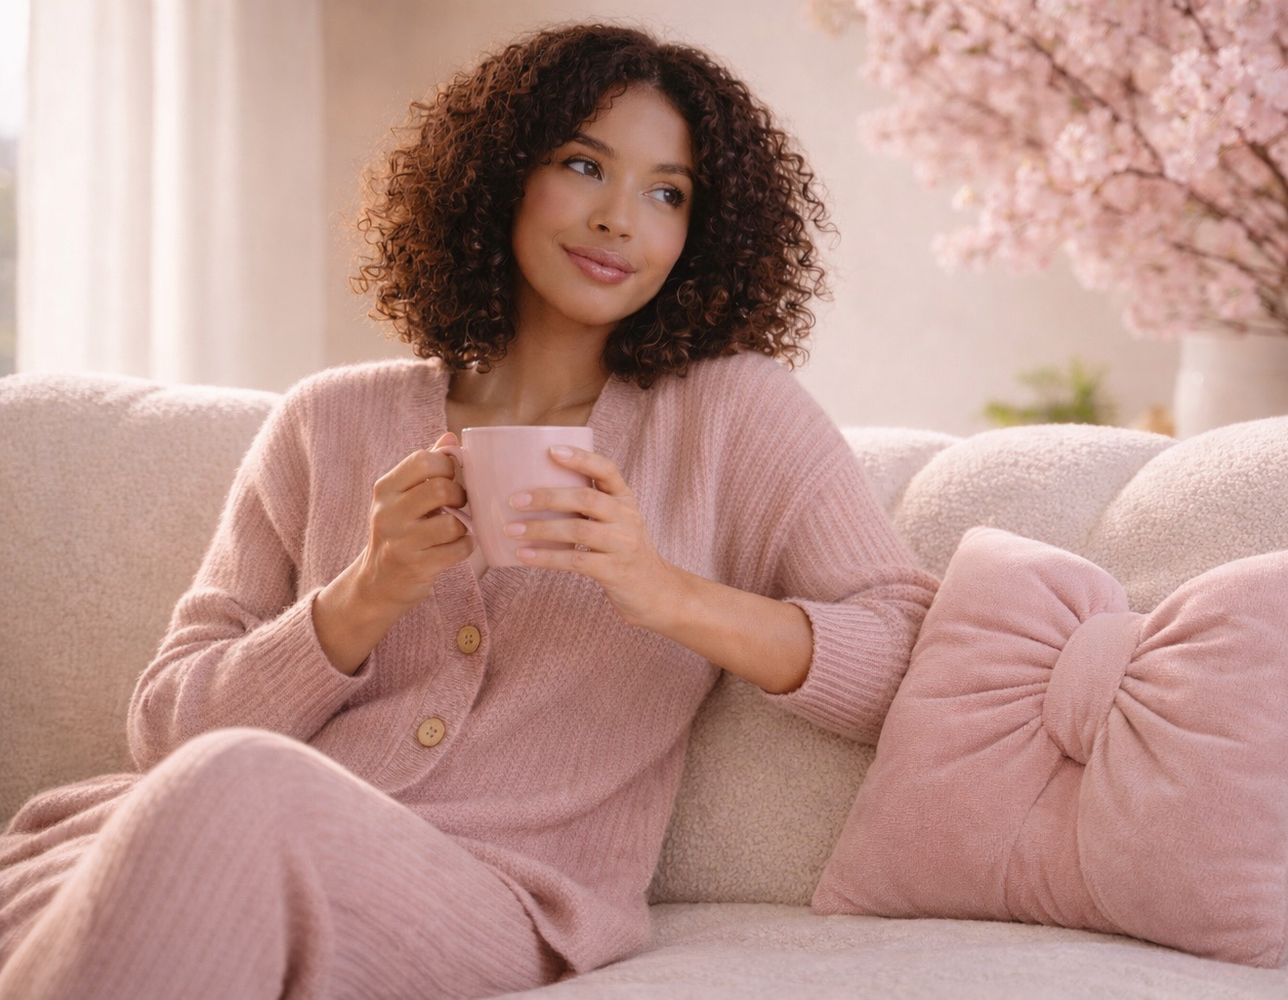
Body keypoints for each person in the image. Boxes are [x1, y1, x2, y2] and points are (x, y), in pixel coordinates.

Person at [0, 23, 939, 1000]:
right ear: (500, 175)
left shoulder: (731, 415)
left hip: (498, 895)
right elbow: (166, 730)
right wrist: (363, 594)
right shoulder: (330, 419)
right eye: (585, 165)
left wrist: (660, 589)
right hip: (186, 837)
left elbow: (907, 652)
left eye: (669, 192)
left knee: (235, 788)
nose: (622, 218)